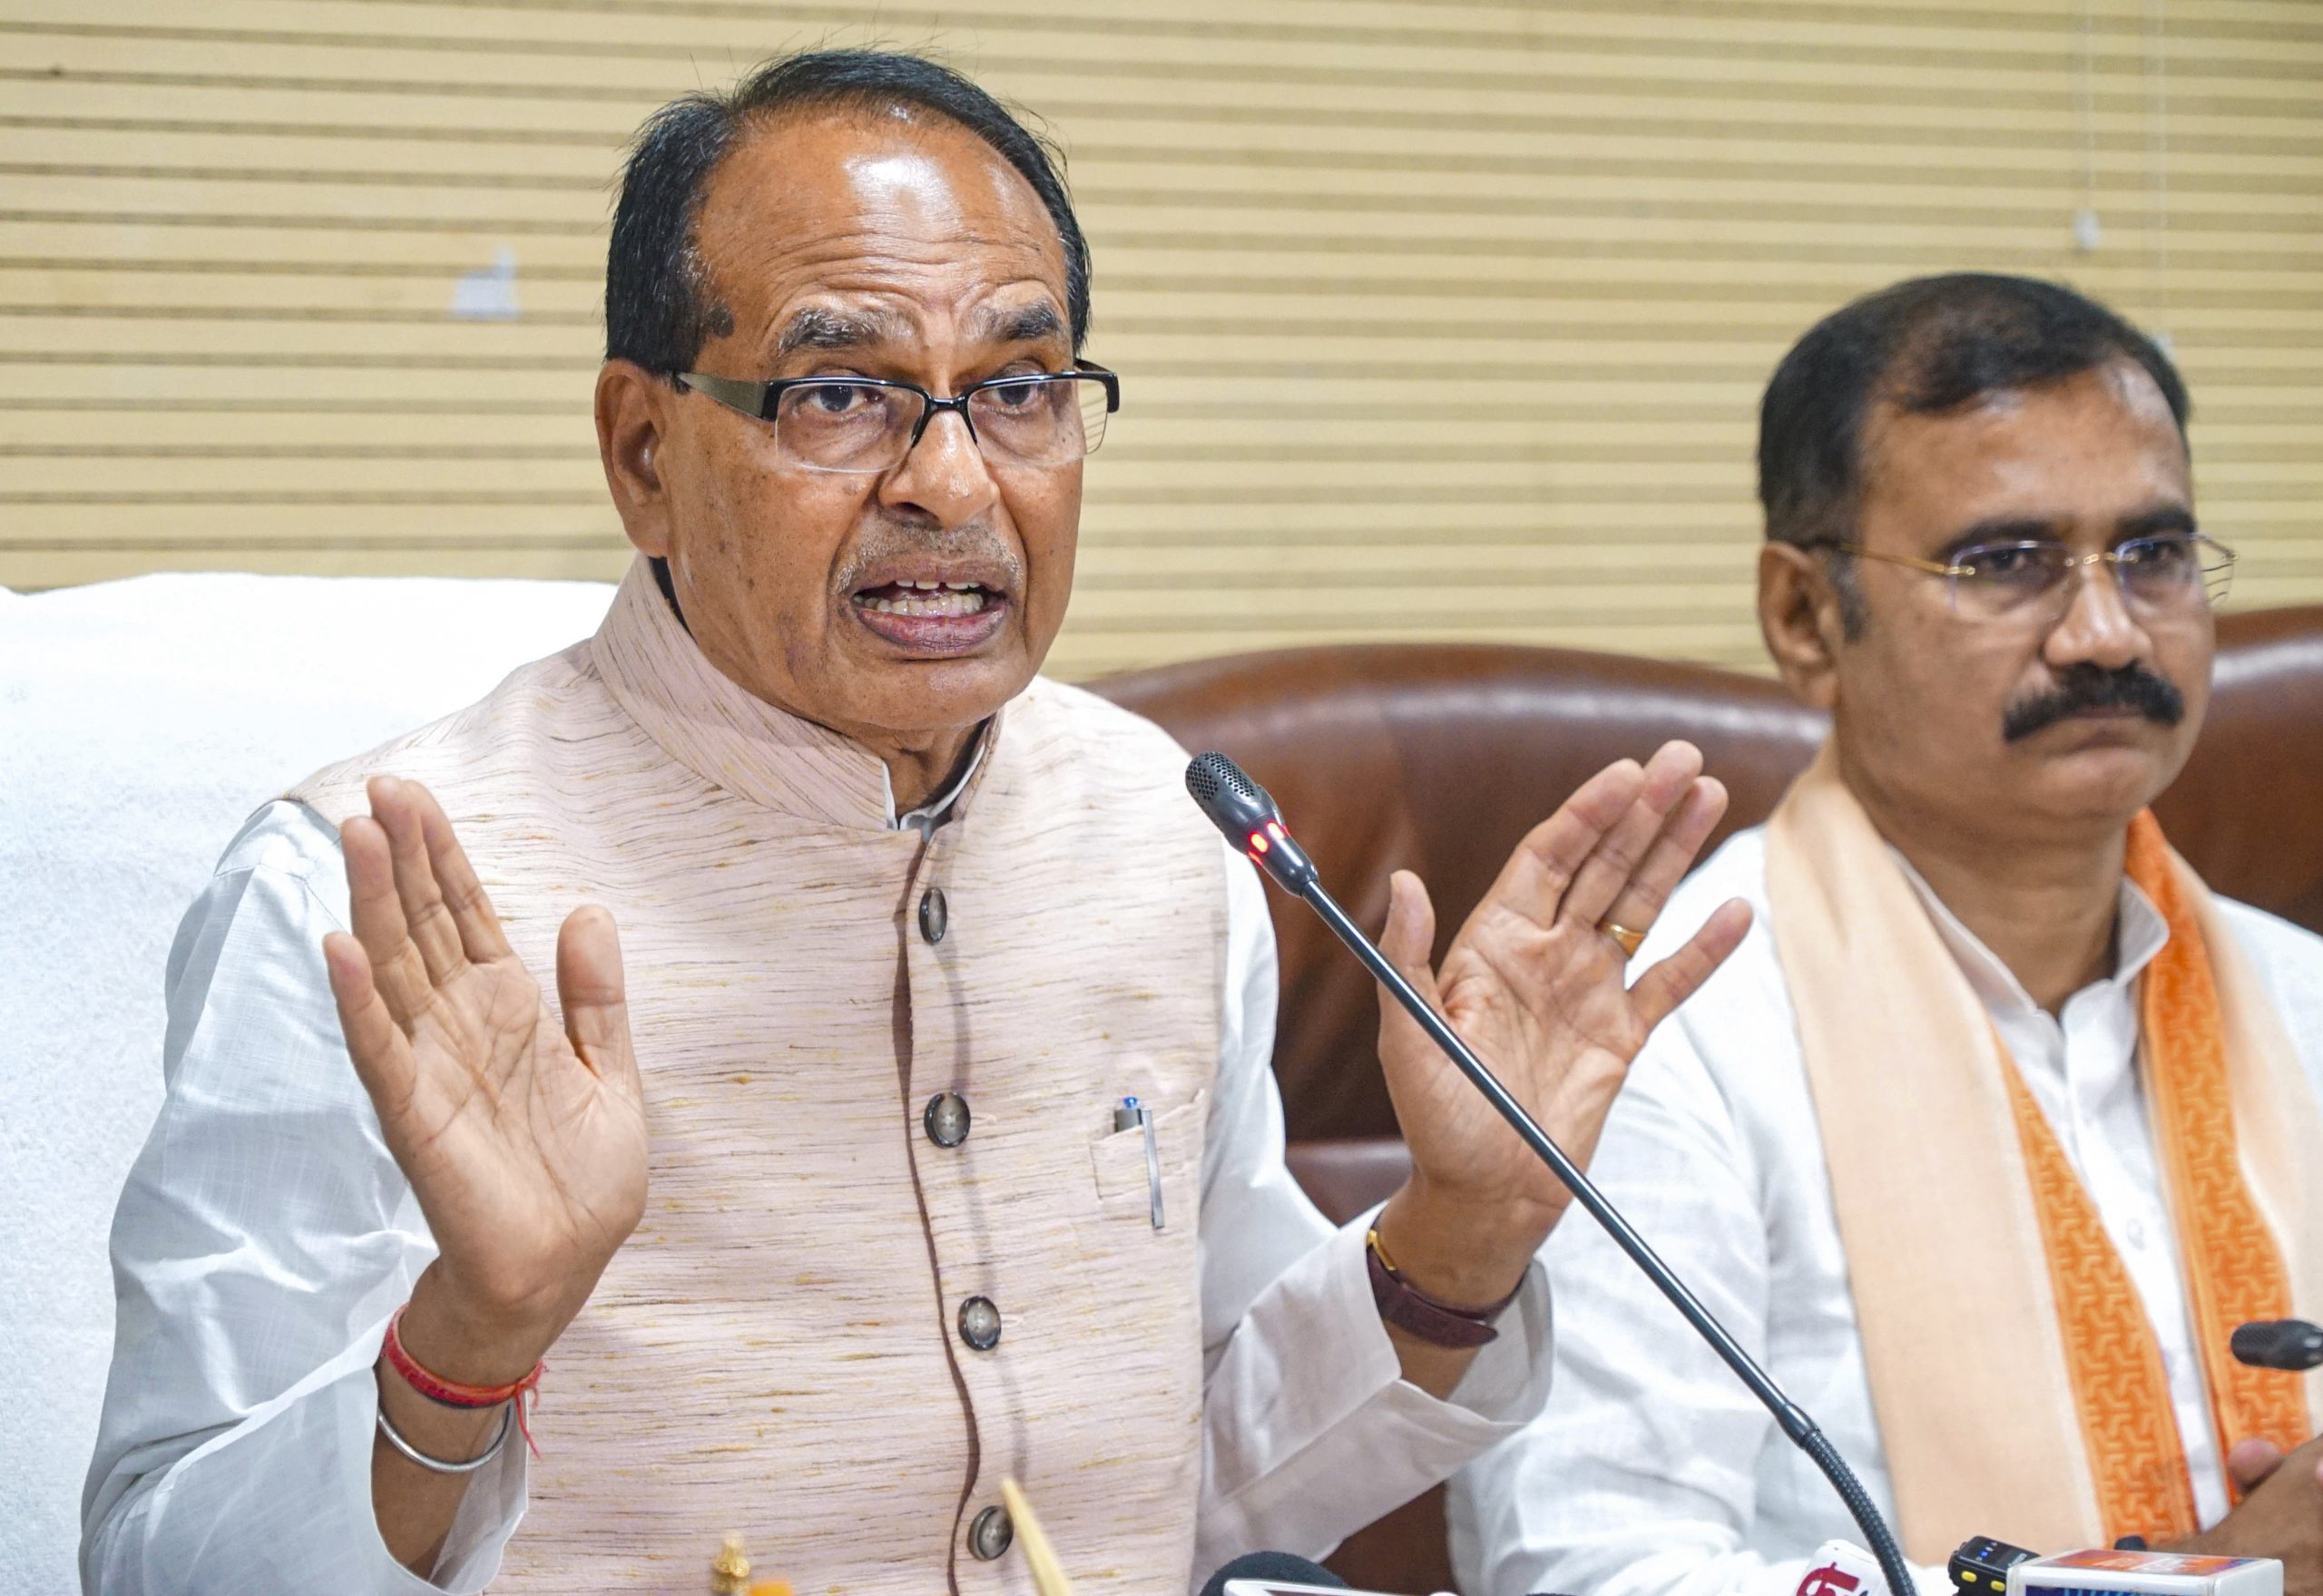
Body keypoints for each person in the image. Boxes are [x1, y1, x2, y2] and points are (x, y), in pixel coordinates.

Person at [82, 51, 1749, 1595]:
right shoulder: (365, 899)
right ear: (643, 451)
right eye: (838, 394)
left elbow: (1192, 1489)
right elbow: (157, 1564)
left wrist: (1464, 1229)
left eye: (1019, 385)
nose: (954, 483)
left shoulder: (1162, 834)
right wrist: (469, 1341)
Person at [1450, 272, 2323, 1596]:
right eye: (2007, 563)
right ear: (1805, 618)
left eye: (2151, 554)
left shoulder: (2301, 997)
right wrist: (2199, 1588)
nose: (2105, 634)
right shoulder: (1661, 1042)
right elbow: (1592, 1572)